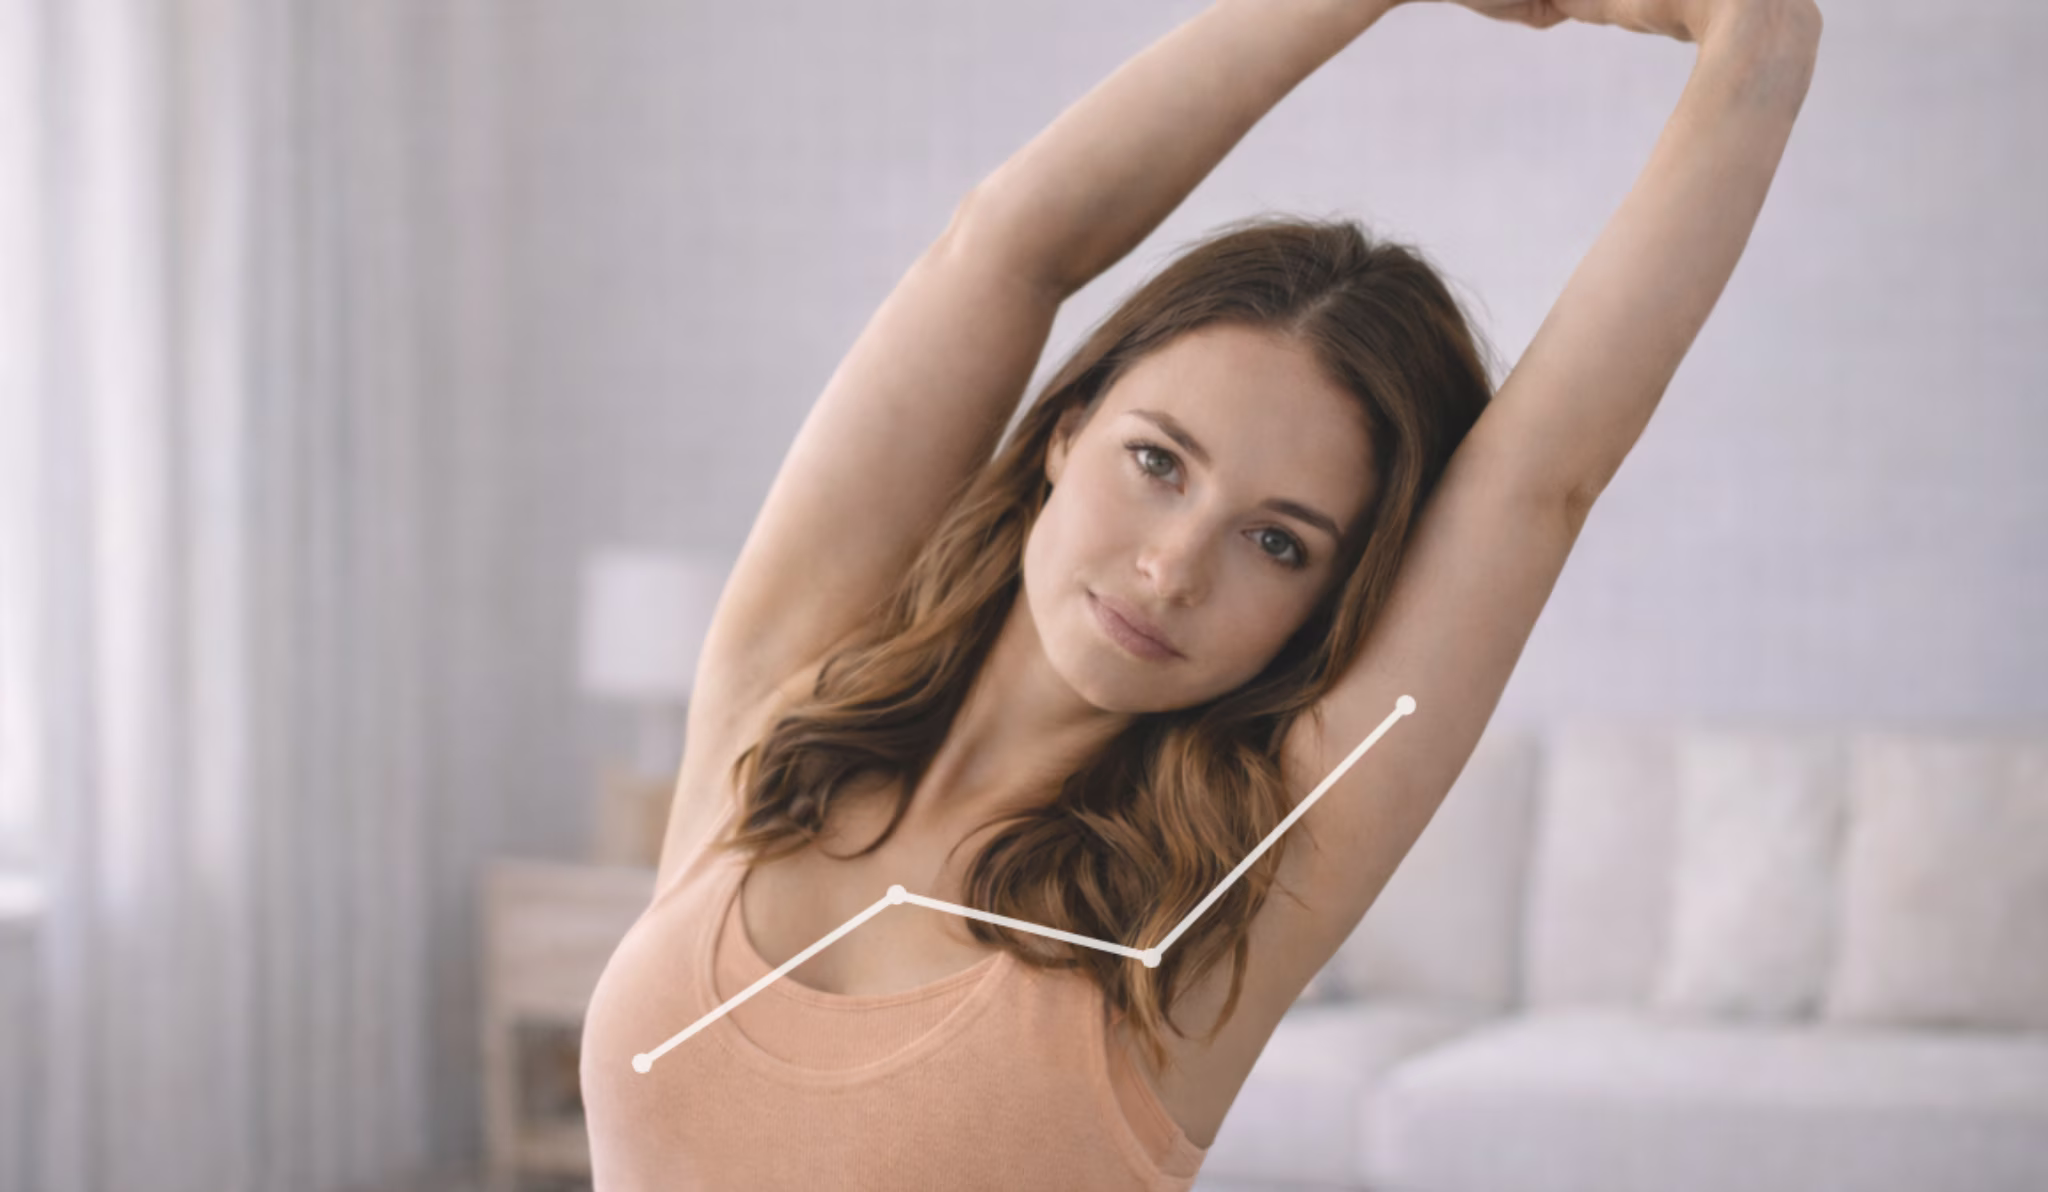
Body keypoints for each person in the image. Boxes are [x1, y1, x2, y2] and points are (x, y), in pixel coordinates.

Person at [579, 0, 1822, 1187]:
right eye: (1157, 462)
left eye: (1275, 543)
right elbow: (1008, 246)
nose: (1172, 568)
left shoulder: (1222, 898)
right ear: (1066, 428)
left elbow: (1538, 484)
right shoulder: (784, 709)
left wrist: (1756, 35)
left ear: (1323, 604)